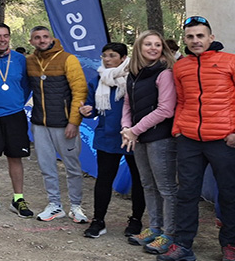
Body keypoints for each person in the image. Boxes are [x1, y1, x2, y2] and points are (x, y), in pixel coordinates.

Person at [158, 16, 235, 261]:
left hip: (223, 140)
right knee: (186, 194)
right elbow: (182, 101)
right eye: (190, 36)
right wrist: (178, 129)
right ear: (185, 39)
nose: (195, 40)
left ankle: (231, 246)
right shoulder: (181, 67)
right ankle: (183, 245)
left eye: (200, 36)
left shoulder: (234, 62)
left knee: (228, 194)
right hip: (189, 140)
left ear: (211, 37)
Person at [78, 42, 145, 240]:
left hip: (135, 138)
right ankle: (98, 221)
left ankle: (136, 220)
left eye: (112, 55)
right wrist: (87, 111)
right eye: (104, 56)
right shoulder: (98, 80)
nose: (107, 59)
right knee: (104, 180)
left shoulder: (136, 77)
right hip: (107, 138)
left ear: (123, 58)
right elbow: (92, 108)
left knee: (139, 180)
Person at [120, 31, 177, 254]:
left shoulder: (165, 73)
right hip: (139, 137)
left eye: (157, 44)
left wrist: (134, 130)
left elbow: (166, 109)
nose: (153, 48)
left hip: (160, 138)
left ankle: (170, 234)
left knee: (166, 188)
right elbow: (127, 104)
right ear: (138, 47)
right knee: (147, 185)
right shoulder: (133, 74)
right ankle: (154, 228)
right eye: (148, 44)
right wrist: (126, 128)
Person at [26, 26, 88, 223]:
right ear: (31, 42)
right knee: (47, 167)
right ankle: (55, 205)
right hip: (40, 124)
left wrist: (74, 122)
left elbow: (80, 91)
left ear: (51, 38)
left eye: (45, 36)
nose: (42, 40)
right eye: (37, 37)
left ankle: (76, 206)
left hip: (64, 124)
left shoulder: (68, 59)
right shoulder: (29, 61)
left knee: (72, 167)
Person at [0, 23, 34, 219]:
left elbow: (26, 85)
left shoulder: (20, 59)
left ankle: (18, 198)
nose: (2, 39)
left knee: (15, 157)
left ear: (9, 37)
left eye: (5, 36)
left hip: (15, 115)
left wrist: (16, 101)